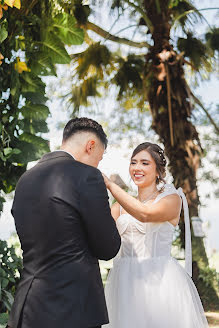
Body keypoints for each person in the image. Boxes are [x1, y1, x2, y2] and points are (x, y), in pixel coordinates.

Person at [7, 117, 121, 328]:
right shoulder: (88, 176)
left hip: (28, 309)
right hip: (73, 310)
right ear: (91, 146)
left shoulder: (25, 180)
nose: (98, 164)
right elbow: (107, 247)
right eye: (100, 157)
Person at [103, 142, 208, 328]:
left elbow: (145, 214)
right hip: (124, 283)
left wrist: (111, 186)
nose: (137, 168)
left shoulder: (172, 199)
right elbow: (102, 239)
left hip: (160, 282)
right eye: (133, 162)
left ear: (159, 171)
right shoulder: (118, 208)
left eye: (145, 163)